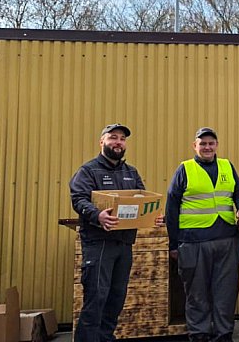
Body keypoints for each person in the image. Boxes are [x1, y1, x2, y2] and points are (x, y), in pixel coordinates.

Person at [165, 127, 239, 342]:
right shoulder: (185, 169)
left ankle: (224, 335)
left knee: (226, 293)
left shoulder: (227, 166)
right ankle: (199, 335)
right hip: (193, 243)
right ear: (194, 146)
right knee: (197, 294)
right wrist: (173, 244)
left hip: (226, 241)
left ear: (216, 145)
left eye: (211, 143)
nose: (207, 147)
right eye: (202, 143)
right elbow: (171, 207)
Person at [69, 123, 145, 342]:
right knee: (96, 299)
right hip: (99, 243)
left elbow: (143, 201)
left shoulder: (131, 172)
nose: (118, 142)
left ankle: (105, 338)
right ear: (102, 141)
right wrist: (97, 215)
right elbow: (79, 199)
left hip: (124, 244)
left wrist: (153, 215)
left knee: (115, 299)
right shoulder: (88, 171)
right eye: (113, 137)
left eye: (122, 139)